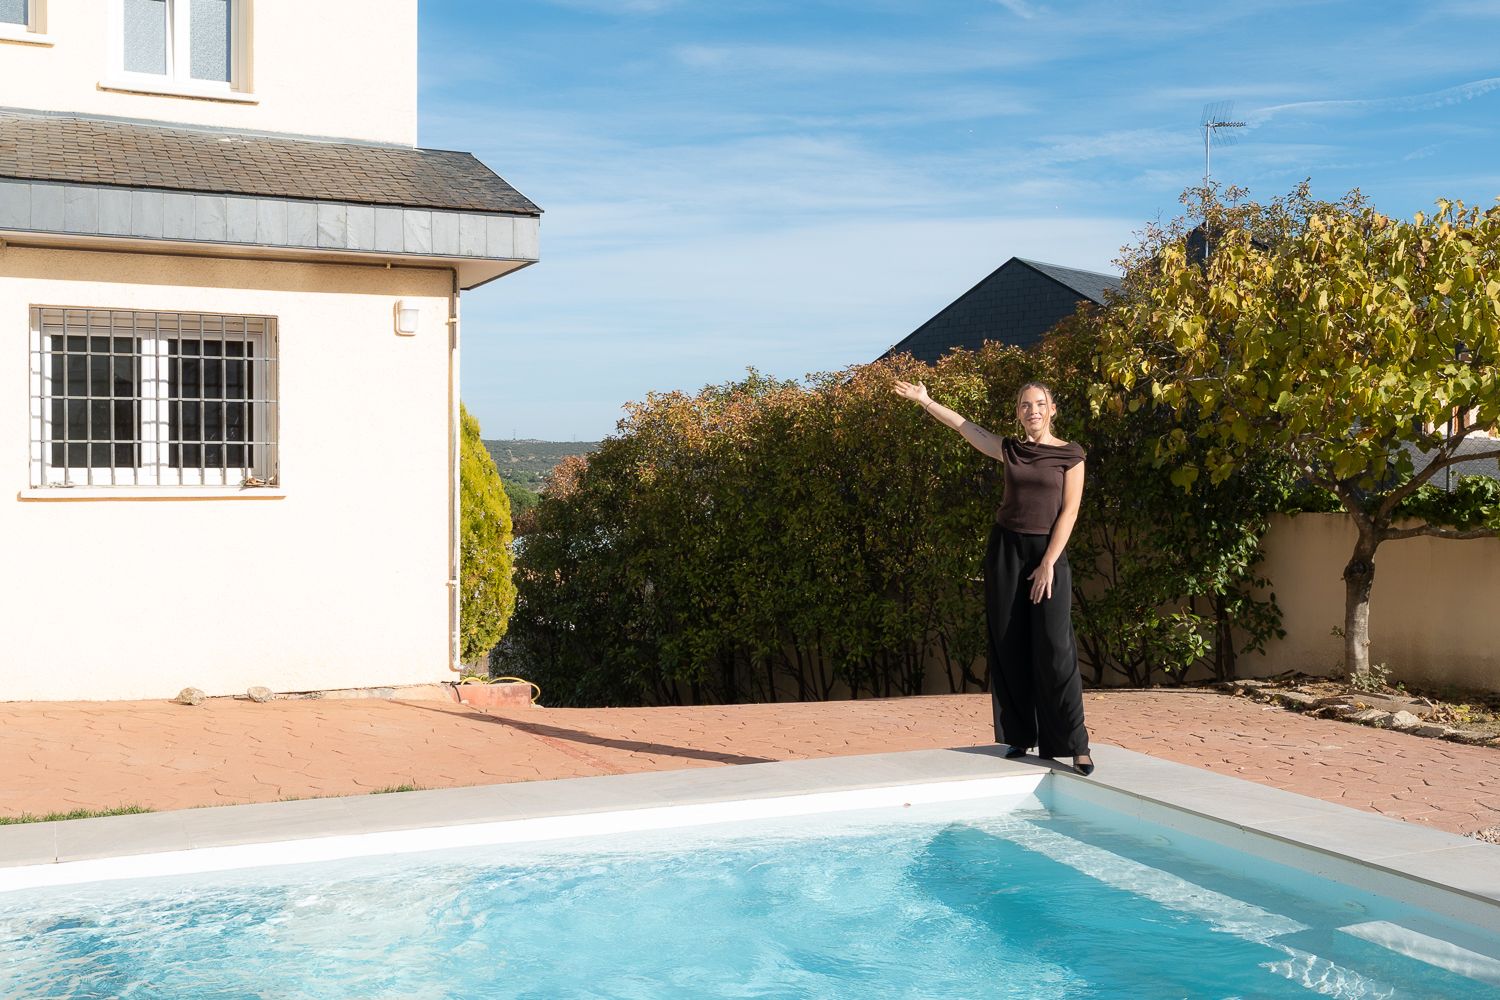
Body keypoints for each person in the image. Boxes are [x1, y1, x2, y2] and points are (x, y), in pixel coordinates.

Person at [891, 378, 1094, 775]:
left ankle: (1075, 744)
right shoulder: (1011, 449)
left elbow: (1069, 512)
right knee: (1008, 642)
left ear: (1052, 410)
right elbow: (966, 427)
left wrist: (1049, 562)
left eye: (1039, 404)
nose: (1031, 410)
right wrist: (926, 401)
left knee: (1056, 649)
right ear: (1018, 412)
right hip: (1006, 551)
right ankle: (1021, 736)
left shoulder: (1071, 454)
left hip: (1046, 553)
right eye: (1024, 405)